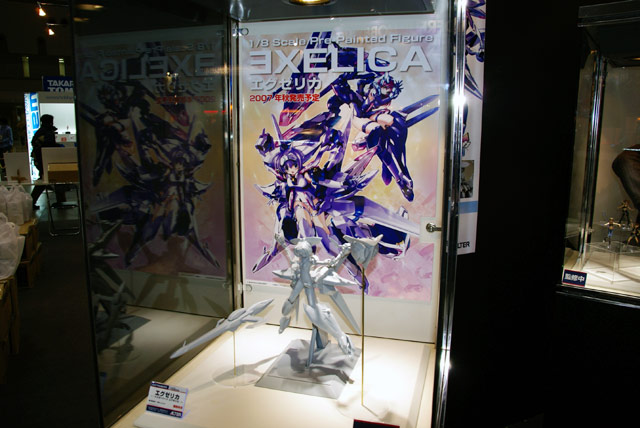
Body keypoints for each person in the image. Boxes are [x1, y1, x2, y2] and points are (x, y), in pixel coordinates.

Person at [30, 114, 66, 208]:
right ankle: (61, 201)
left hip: (40, 159)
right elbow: (49, 145)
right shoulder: (48, 132)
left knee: (44, 179)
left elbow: (34, 143)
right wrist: (59, 147)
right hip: (47, 160)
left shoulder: (40, 131)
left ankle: (32, 202)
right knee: (52, 179)